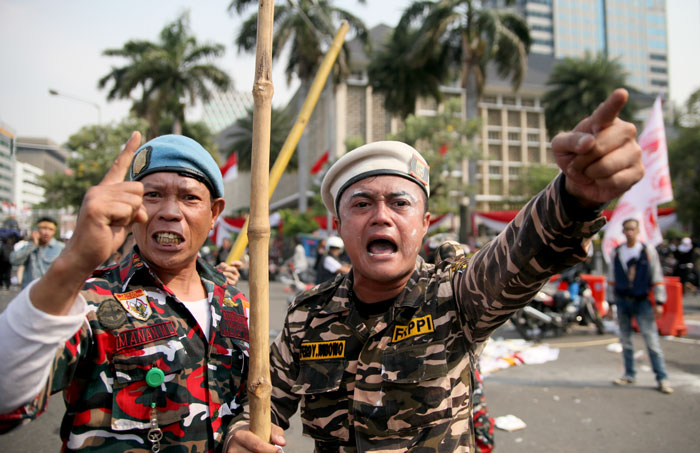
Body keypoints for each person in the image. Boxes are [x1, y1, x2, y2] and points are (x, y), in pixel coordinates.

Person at [226, 88, 645, 452]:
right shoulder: (307, 316)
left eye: (400, 203)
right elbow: (263, 402)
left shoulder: (456, 295)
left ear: (425, 224)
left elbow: (517, 253)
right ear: (338, 225)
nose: (381, 216)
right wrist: (241, 433)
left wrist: (572, 198)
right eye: (361, 203)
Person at [0, 133, 251, 451]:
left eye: (189, 198)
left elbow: (251, 401)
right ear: (131, 209)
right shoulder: (88, 304)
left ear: (215, 212)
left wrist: (241, 431)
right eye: (153, 195)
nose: (170, 212)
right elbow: (6, 403)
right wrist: (73, 262)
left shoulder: (236, 306)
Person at [607, 218, 673, 394]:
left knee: (652, 342)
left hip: (641, 301)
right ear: (622, 231)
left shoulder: (647, 251)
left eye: (632, 229)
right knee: (626, 340)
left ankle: (662, 378)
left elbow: (657, 277)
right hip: (622, 301)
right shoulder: (617, 252)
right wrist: (610, 303)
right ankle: (629, 374)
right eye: (626, 229)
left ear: (637, 231)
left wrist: (659, 302)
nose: (629, 232)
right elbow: (611, 279)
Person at [10, 216, 65, 288]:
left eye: (50, 229)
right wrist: (33, 245)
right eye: (44, 228)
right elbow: (14, 260)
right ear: (37, 230)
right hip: (31, 291)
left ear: (54, 232)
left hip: (51, 291)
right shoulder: (30, 247)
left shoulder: (60, 248)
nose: (46, 232)